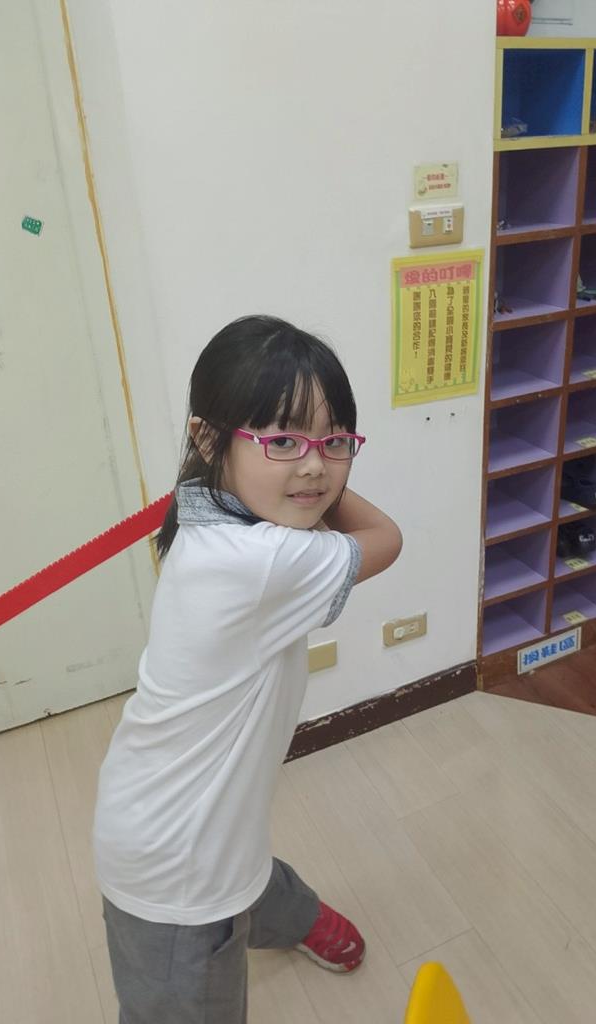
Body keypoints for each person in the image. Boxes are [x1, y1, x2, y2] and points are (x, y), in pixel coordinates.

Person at [93, 315, 403, 1024]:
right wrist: (322, 482)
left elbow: (294, 491)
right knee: (198, 955)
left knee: (242, 857)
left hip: (198, 813)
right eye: (284, 440)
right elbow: (385, 539)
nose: (315, 466)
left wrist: (294, 466)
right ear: (207, 441)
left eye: (336, 441)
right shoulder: (259, 561)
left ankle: (292, 917)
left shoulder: (211, 507)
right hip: (171, 868)